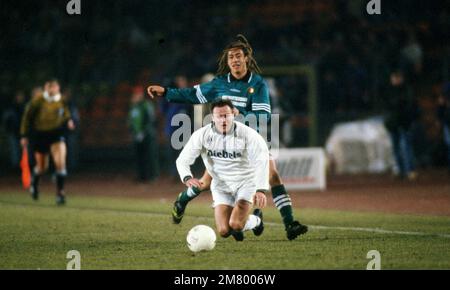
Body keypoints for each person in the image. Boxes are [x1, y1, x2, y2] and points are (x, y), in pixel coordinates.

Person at [147, 34, 308, 240]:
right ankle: (182, 201)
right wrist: (166, 92)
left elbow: (265, 117)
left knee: (273, 175)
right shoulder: (219, 83)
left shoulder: (257, 84)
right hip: (222, 140)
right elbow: (192, 95)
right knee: (206, 182)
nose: (235, 60)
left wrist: (242, 115)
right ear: (227, 60)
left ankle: (290, 224)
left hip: (247, 143)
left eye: (238, 56)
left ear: (246, 58)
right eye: (231, 56)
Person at [176, 99, 267, 241]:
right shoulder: (202, 135)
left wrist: (261, 189)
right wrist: (187, 177)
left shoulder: (248, 135)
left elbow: (262, 160)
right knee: (224, 231)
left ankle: (256, 221)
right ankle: (250, 221)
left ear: (234, 115)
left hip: (245, 183)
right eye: (219, 116)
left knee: (236, 225)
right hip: (220, 186)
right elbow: (183, 159)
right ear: (212, 117)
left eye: (226, 115)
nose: (223, 119)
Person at [20, 79, 75, 205]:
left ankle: (60, 193)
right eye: (50, 87)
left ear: (58, 88)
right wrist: (24, 135)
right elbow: (27, 118)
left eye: (54, 87)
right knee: (42, 167)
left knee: (61, 163)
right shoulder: (37, 101)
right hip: (41, 135)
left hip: (56, 134)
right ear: (46, 88)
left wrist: (69, 121)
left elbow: (66, 113)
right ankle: (34, 184)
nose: (52, 90)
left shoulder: (61, 100)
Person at [384, 70, 418, 180]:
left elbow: (408, 105)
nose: (394, 80)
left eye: (396, 78)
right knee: (396, 148)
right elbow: (388, 105)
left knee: (406, 146)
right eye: (393, 78)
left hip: (405, 122)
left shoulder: (407, 90)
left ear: (400, 78)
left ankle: (410, 170)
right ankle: (400, 170)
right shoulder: (390, 90)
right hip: (394, 123)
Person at [128, 85, 158, 181]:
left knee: (149, 155)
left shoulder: (146, 105)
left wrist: (144, 132)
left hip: (147, 134)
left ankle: (152, 176)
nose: (136, 96)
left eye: (138, 94)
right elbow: (131, 120)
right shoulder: (133, 106)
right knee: (139, 157)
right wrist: (133, 132)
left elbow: (151, 119)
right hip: (136, 135)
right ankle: (141, 176)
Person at [3, 91, 26, 168]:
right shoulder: (12, 107)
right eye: (19, 96)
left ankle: (24, 165)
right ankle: (15, 166)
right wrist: (8, 129)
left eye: (21, 96)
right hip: (14, 131)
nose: (20, 98)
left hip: (23, 132)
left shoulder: (24, 107)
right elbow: (7, 120)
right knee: (15, 150)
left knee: (24, 150)